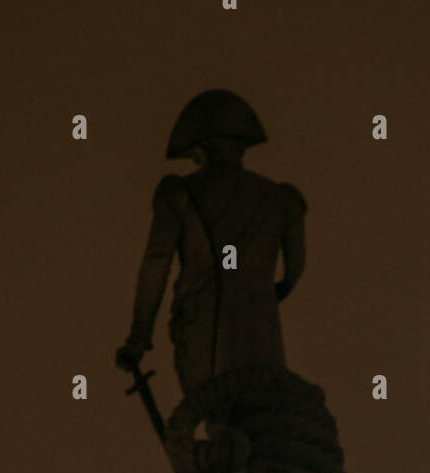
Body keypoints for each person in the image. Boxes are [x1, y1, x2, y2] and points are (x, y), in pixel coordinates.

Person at [116, 90, 306, 396]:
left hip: (205, 325)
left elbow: (156, 265)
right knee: (263, 421)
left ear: (202, 148)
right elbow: (295, 268)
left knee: (218, 418)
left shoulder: (179, 194)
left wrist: (139, 337)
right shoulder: (279, 198)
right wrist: (273, 292)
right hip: (262, 328)